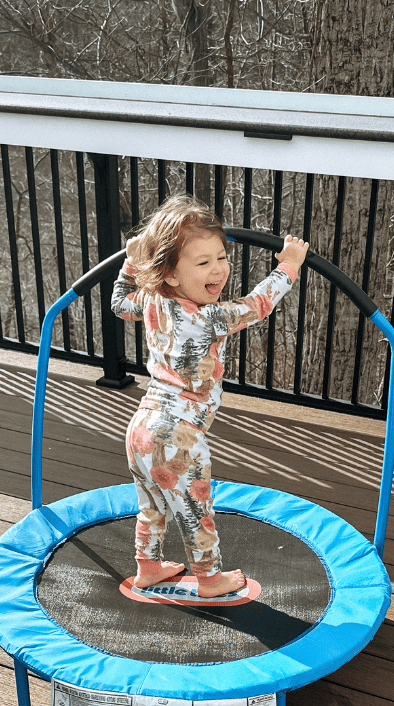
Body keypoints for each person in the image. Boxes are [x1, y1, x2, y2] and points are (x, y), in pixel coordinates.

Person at [111, 195, 308, 598]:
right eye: (202, 264)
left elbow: (119, 302)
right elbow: (258, 305)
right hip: (179, 434)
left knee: (152, 506)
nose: (217, 269)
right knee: (196, 511)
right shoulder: (207, 317)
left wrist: (131, 261)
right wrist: (289, 264)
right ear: (169, 274)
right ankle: (210, 580)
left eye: (221, 257)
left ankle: (147, 567)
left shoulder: (150, 301)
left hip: (142, 428)